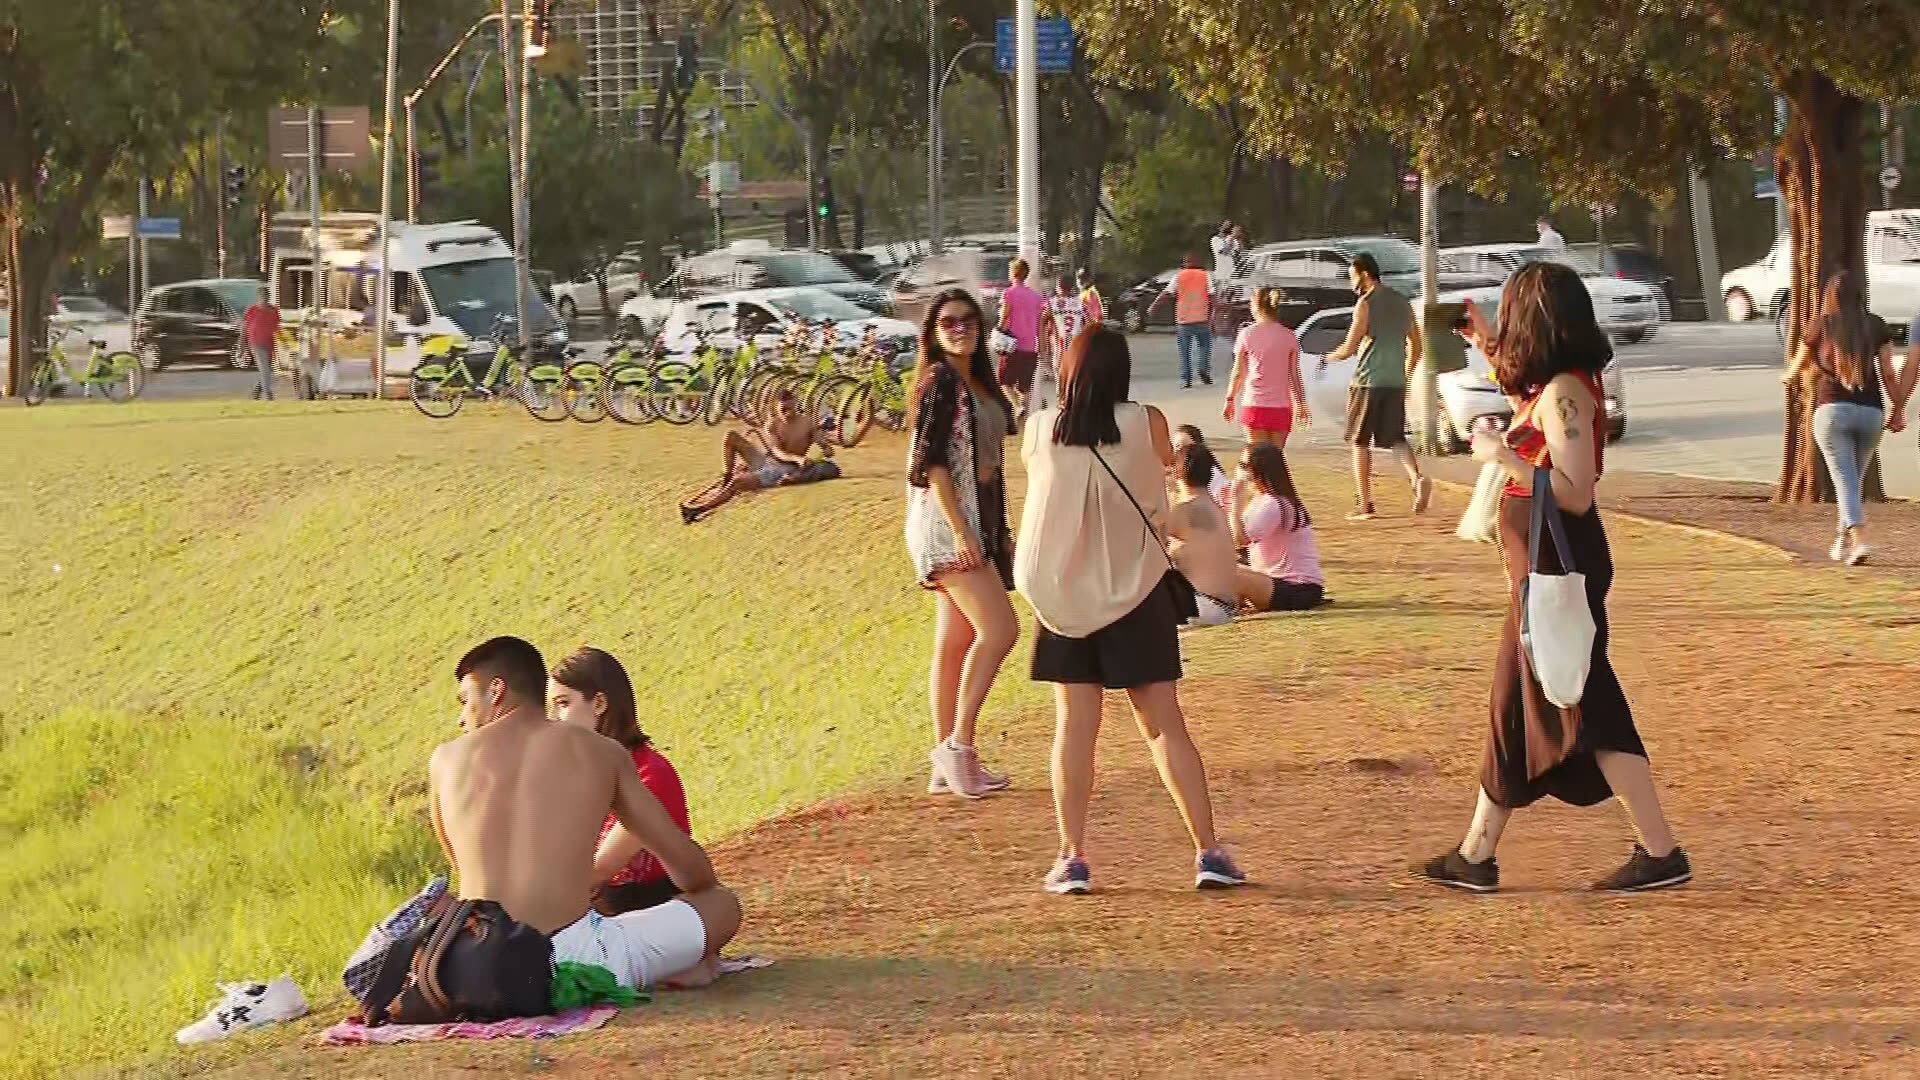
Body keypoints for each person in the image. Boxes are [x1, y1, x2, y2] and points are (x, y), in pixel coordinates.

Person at [1416, 263, 1689, 896]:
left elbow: (1575, 491)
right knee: (1515, 708)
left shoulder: (1567, 391)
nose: (1505, 326)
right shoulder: (1556, 384)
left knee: (1589, 707)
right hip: (1539, 572)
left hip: (1558, 570)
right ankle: (1476, 853)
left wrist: (1502, 457)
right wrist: (1482, 343)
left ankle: (1661, 850)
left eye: (1511, 316)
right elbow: (1526, 406)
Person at [1014, 323, 1246, 894]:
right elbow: (1166, 472)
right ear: (1124, 373)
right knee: (1165, 726)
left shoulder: (1040, 427)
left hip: (1062, 596)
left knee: (1074, 729)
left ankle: (1071, 856)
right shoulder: (1148, 422)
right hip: (1137, 590)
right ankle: (1208, 852)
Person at [430, 637, 742, 990]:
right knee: (721, 903)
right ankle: (670, 967)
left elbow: (463, 875)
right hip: (571, 962)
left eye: (465, 701)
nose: (461, 718)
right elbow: (691, 872)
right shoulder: (603, 753)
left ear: (496, 690)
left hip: (479, 964)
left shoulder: (444, 759)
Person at [906, 288, 1019, 799]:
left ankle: (942, 762)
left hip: (975, 522)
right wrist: (962, 531)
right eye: (950, 322)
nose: (961, 328)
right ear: (932, 330)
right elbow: (930, 465)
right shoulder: (941, 381)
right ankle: (959, 746)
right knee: (1000, 630)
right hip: (949, 524)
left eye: (970, 321)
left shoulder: (975, 380)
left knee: (954, 644)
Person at [549, 646, 692, 916]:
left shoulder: (649, 773)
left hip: (651, 910)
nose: (553, 718)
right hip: (602, 906)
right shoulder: (577, 773)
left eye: (563, 704)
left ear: (600, 704)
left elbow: (601, 869)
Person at [1782, 273, 1910, 566]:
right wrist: (1899, 408)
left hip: (1832, 412)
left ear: (1829, 297)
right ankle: (1842, 540)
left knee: (1845, 481)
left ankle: (1860, 538)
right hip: (1871, 414)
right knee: (1851, 482)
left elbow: (1797, 366)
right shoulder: (1877, 325)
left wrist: (1786, 377)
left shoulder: (1820, 324)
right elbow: (1889, 375)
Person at [1323, 252, 1434, 520]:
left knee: (1359, 442)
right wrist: (1405, 374)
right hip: (1394, 381)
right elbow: (1416, 346)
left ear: (1363, 273)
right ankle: (1417, 478)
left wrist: (1329, 356)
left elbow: (1350, 348)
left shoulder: (1365, 304)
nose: (1351, 282)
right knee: (1396, 437)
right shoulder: (1401, 302)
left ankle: (1365, 504)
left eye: (1352, 275)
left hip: (1367, 381)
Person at [679, 388, 838, 523]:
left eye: (789, 409)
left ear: (795, 403)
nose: (787, 414)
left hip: (785, 469)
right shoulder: (772, 424)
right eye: (783, 410)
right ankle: (726, 477)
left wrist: (825, 448)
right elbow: (777, 451)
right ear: (776, 408)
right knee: (731, 436)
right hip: (771, 460)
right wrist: (797, 457)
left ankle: (699, 510)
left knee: (738, 481)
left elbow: (823, 444)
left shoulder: (807, 422)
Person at [1227, 443, 1326, 612]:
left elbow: (1240, 539)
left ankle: (1230, 611)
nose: (1240, 471)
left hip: (1297, 587)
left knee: (1230, 576)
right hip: (1273, 580)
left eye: (1244, 466)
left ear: (1258, 470)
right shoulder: (1263, 499)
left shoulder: (1274, 503)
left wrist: (1235, 500)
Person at [1166, 444, 1250, 627]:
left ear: (1177, 473)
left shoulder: (1184, 511)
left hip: (1200, 606)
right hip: (1225, 609)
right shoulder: (1215, 509)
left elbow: (1141, 537)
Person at [1224, 286, 1310, 446]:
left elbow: (1238, 373)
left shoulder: (1246, 334)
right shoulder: (1289, 336)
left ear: (1256, 307)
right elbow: (1294, 376)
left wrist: (1230, 399)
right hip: (1281, 408)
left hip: (1254, 404)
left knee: (1256, 460)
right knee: (1275, 460)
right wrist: (1301, 404)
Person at [1151, 255, 1214, 389]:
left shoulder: (1178, 276)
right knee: (1204, 346)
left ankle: (1186, 379)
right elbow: (1213, 296)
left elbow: (1166, 293)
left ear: (1185, 264)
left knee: (1184, 351)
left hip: (1184, 319)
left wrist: (1153, 306)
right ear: (1198, 263)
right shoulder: (1205, 276)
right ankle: (1203, 369)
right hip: (1201, 317)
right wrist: (1215, 313)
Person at [996, 257, 1045, 421]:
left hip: (1012, 345)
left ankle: (1017, 406)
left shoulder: (1008, 293)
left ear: (1014, 273)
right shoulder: (1037, 298)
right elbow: (1040, 324)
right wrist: (1042, 346)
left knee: (1005, 382)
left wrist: (997, 331)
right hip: (1031, 346)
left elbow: (1004, 316)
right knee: (1025, 385)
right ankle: (1024, 410)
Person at [1172, 423, 1231, 507]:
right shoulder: (1178, 471)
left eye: (1185, 448)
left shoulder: (1212, 475)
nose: (1178, 452)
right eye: (1175, 447)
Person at [241, 286, 280, 401]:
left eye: (266, 296)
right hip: (256, 343)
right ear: (258, 297)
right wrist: (242, 345)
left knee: (267, 370)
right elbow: (245, 328)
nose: (264, 299)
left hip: (269, 343)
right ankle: (268, 394)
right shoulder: (252, 310)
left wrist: (282, 342)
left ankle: (256, 392)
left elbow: (277, 327)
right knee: (265, 369)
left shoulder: (274, 310)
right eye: (262, 296)